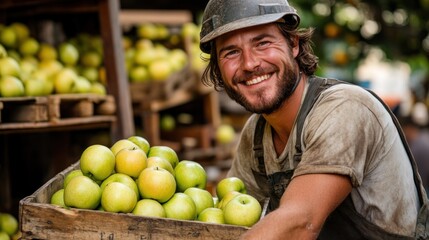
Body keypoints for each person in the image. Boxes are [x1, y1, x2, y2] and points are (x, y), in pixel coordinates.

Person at [198, 0, 429, 239]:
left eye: (263, 43)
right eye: (231, 52)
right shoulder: (256, 135)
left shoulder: (345, 109)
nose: (249, 63)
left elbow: (301, 222)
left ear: (293, 44)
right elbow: (238, 223)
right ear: (218, 68)